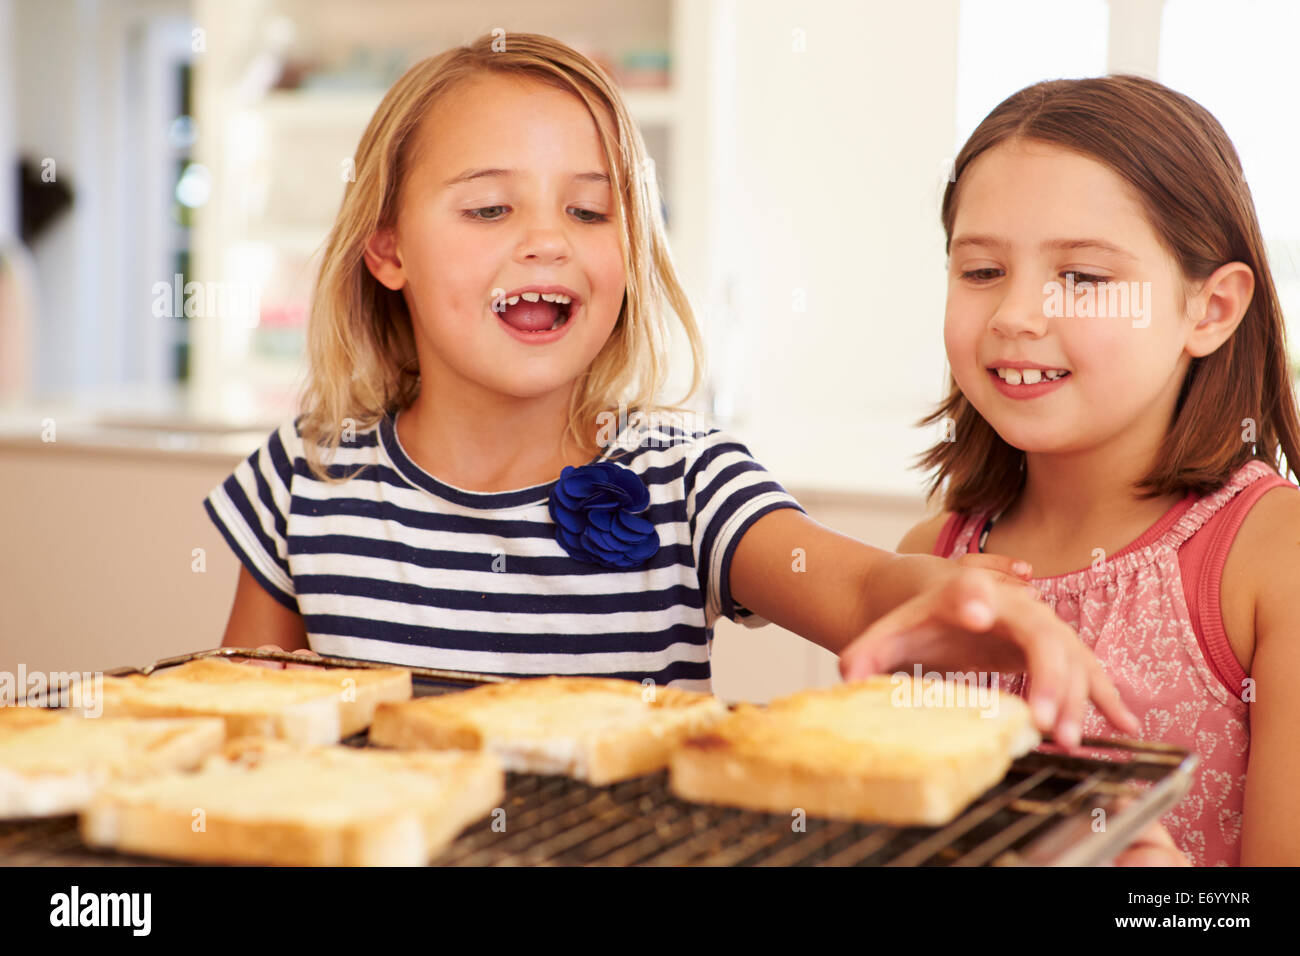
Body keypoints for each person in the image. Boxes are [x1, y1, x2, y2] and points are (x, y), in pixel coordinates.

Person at [204, 33, 1136, 764]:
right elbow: (242, 721)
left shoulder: (686, 478)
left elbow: (850, 583)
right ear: (390, 253)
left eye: (589, 210)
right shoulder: (305, 476)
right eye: (490, 209)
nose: (547, 241)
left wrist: (948, 597)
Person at [900, 75, 1300, 866]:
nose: (1016, 314)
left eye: (1083, 278)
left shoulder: (1272, 559)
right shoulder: (930, 558)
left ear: (1211, 309)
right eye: (981, 271)